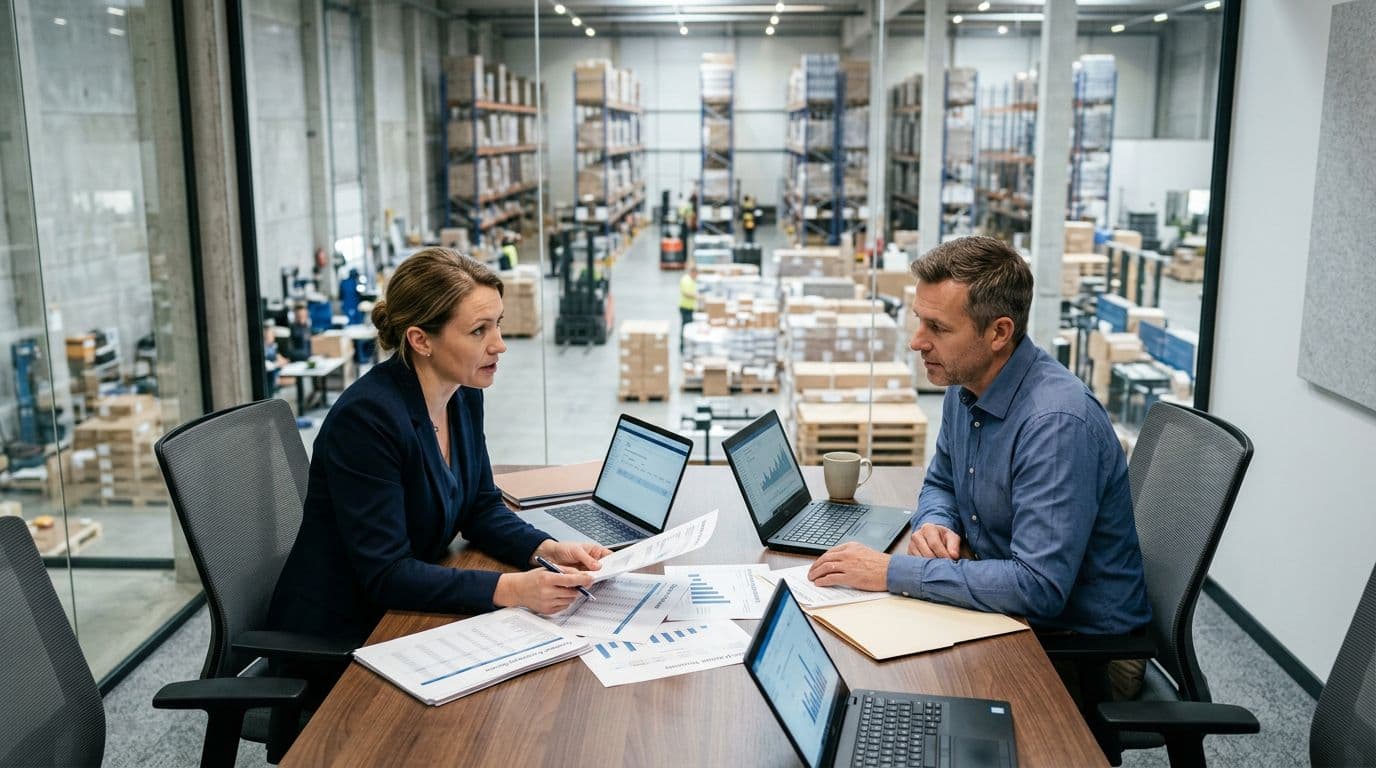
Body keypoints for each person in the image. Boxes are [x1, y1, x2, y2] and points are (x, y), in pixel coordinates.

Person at [805, 236, 1151, 699]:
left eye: (938, 327)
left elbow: (1038, 587)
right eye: (918, 320)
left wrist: (891, 571)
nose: (916, 341)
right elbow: (941, 480)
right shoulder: (966, 383)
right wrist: (935, 522)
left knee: (897, 698)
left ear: (998, 333)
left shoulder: (1055, 425)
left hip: (1080, 649)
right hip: (1008, 610)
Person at [268, 248, 611, 642]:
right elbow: (386, 574)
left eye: (498, 324)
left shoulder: (462, 394)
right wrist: (513, 590)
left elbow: (480, 507)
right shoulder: (366, 421)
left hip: (407, 608)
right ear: (420, 340)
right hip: (344, 631)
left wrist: (546, 550)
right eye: (479, 330)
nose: (499, 344)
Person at [678, 264, 698, 354]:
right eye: (696, 274)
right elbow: (685, 293)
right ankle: (683, 347)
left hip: (690, 307)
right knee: (686, 328)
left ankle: (686, 346)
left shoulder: (692, 280)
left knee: (687, 327)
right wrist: (697, 296)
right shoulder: (686, 280)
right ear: (692, 272)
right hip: (685, 307)